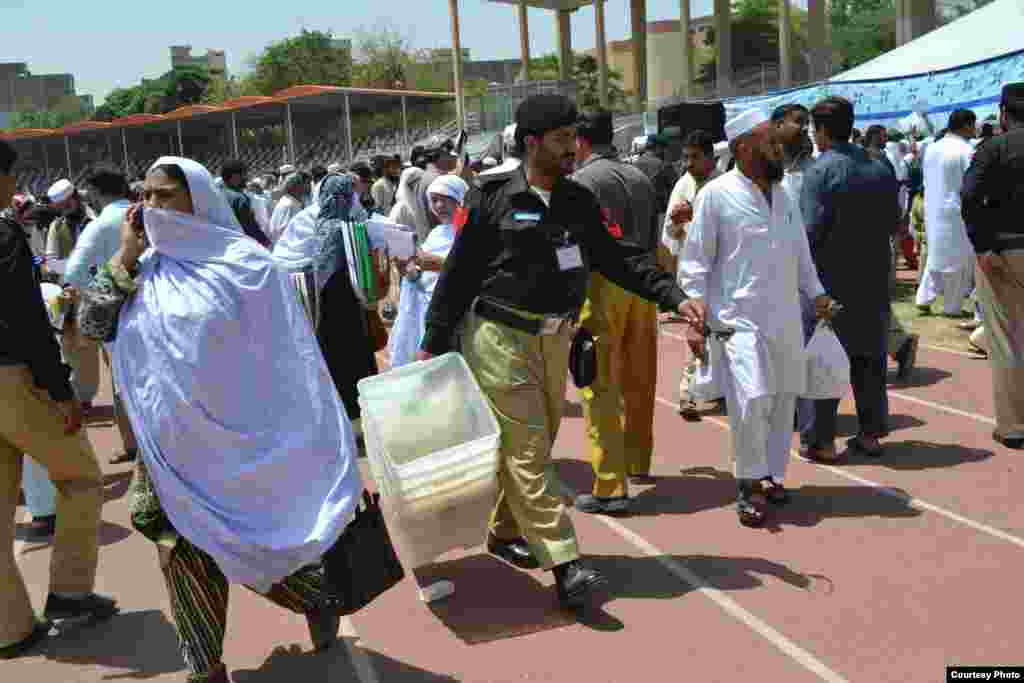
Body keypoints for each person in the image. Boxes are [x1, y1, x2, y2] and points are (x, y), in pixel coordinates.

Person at [77, 157, 364, 682]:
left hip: (245, 452)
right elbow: (93, 322)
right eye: (146, 196)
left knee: (253, 543)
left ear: (199, 201)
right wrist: (124, 254)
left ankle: (316, 596)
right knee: (182, 551)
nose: (151, 207)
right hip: (170, 458)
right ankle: (203, 667)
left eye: (165, 196)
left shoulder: (249, 267)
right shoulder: (142, 271)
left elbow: (290, 362)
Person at [417, 94, 698, 607]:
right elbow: (456, 276)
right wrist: (431, 342)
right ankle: (566, 564)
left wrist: (675, 296)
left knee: (536, 444)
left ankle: (504, 533)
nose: (573, 148)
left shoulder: (577, 201)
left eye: (574, 138)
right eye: (563, 140)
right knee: (527, 450)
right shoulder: (492, 196)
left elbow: (618, 259)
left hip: (554, 341)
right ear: (532, 143)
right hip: (498, 338)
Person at [679, 108, 832, 527]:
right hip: (737, 321)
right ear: (744, 147)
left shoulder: (784, 195)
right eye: (770, 142)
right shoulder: (716, 194)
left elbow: (801, 252)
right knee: (751, 399)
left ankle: (772, 474)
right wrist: (695, 314)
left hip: (783, 316)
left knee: (783, 400)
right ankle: (747, 483)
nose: (778, 149)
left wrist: (817, 294)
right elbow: (694, 262)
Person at [0, 140, 118, 661]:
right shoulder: (3, 233)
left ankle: (10, 627)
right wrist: (60, 388)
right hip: (14, 378)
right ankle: (69, 592)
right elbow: (25, 319)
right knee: (82, 479)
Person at [571, 109, 662, 514]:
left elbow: (570, 248)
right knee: (640, 377)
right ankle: (638, 460)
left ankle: (610, 484)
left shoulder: (581, 182)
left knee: (599, 384)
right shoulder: (641, 176)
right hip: (643, 284)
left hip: (604, 286)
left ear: (580, 141)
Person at [798, 96, 898, 462]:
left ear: (820, 130)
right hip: (872, 275)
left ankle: (820, 439)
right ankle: (871, 432)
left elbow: (809, 231)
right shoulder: (880, 165)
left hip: (830, 279)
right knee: (870, 359)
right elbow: (893, 221)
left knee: (824, 359)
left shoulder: (820, 170)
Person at [961, 83, 1024, 449]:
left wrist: (982, 245)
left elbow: (969, 195)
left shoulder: (994, 148)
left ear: (1003, 113)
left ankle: (1014, 425)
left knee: (1005, 339)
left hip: (1004, 251)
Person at [63, 165, 140, 464]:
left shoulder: (100, 224)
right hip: (157, 308)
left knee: (121, 382)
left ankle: (132, 446)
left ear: (94, 192)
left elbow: (74, 273)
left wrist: (98, 297)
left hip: (117, 314)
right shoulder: (145, 213)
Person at [664, 130, 724, 420]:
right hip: (695, 272)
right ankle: (687, 392)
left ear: (711, 157)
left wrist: (696, 217)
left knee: (722, 334)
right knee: (697, 330)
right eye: (685, 157)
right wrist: (678, 222)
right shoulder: (682, 186)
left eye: (695, 157)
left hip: (723, 272)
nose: (689, 163)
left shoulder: (725, 185)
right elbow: (671, 235)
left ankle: (720, 389)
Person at [389, 175, 469, 368]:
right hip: (429, 318)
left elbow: (474, 272)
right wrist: (408, 270)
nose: (439, 206)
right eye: (434, 200)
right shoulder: (435, 234)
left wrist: (440, 265)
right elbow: (422, 279)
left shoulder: (470, 232)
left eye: (445, 199)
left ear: (461, 199)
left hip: (459, 319)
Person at [916, 109, 978, 317]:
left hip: (933, 207)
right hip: (955, 210)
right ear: (967, 125)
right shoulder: (965, 150)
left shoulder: (932, 148)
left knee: (936, 256)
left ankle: (924, 297)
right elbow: (971, 184)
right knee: (958, 261)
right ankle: (952, 306)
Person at [219, 159, 271, 247]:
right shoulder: (239, 199)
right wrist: (266, 243)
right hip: (241, 244)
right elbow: (250, 228)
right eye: (244, 174)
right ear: (235, 176)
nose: (247, 178)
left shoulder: (217, 192)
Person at [268, 172, 310, 246]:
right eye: (304, 184)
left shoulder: (291, 202)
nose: (308, 186)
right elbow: (285, 232)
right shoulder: (289, 205)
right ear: (295, 187)